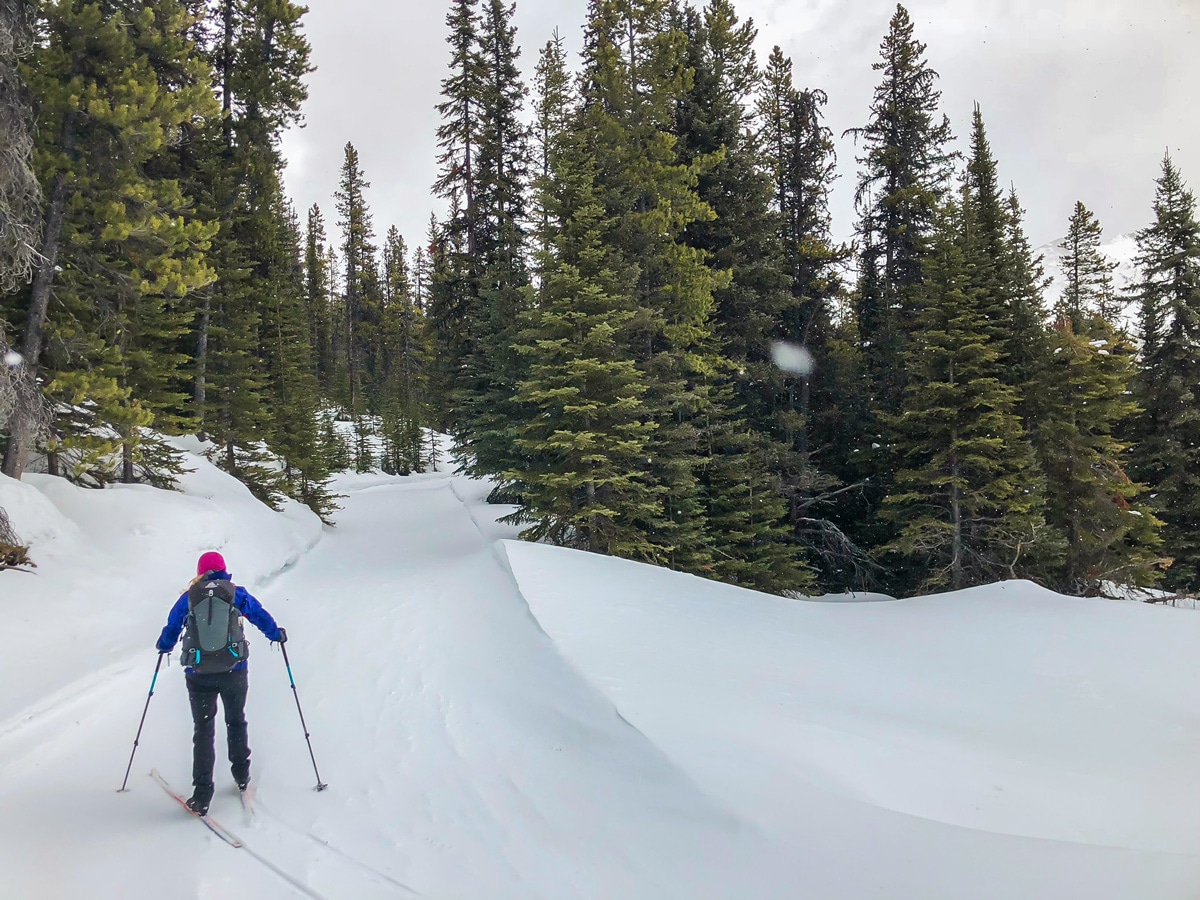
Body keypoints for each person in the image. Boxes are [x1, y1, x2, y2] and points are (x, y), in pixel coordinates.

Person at [156, 551, 286, 815]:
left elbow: (172, 627)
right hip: (234, 670)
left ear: (200, 571)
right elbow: (259, 615)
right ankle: (241, 775)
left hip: (199, 673)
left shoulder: (189, 597)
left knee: (203, 729)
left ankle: (202, 794)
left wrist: (164, 645)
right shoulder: (235, 593)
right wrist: (276, 634)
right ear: (224, 570)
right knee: (236, 720)